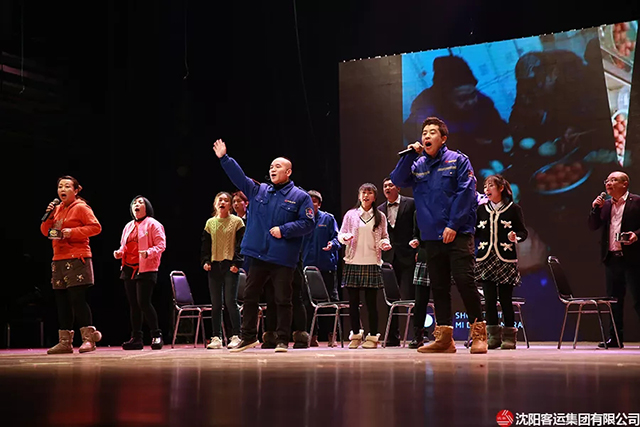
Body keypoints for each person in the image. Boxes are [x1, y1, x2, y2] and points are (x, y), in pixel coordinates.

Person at [390, 116, 488, 354]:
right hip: (431, 237)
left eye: (432, 132)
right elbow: (397, 179)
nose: (426, 136)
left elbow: (466, 193)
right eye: (424, 133)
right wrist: (409, 155)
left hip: (458, 233)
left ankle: (479, 335)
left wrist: (453, 225)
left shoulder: (458, 160)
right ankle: (444, 338)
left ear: (443, 138)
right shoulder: (418, 164)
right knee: (439, 287)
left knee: (465, 282)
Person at [212, 139, 314, 353]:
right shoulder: (259, 190)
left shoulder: (300, 196)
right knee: (249, 297)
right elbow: (239, 178)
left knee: (282, 299)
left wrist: (284, 230)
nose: (272, 169)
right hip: (258, 255)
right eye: (271, 166)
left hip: (282, 257)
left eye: (278, 166)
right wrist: (224, 158)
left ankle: (282, 339)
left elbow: (308, 223)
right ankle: (248, 337)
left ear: (288, 172)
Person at [403, 55, 511, 175]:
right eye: (462, 98)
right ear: (445, 99)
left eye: (473, 95)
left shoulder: (482, 102)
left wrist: (504, 136)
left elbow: (498, 126)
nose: (471, 101)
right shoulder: (423, 112)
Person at [41, 176, 103, 354]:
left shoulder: (81, 207)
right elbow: (46, 232)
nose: (63, 189)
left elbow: (96, 227)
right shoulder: (56, 209)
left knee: (77, 299)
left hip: (77, 258)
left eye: (67, 186)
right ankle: (65, 342)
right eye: (60, 186)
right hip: (58, 259)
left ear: (75, 191)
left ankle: (88, 339)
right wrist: (48, 216)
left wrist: (72, 232)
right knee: (62, 301)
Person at [475, 175, 528, 349]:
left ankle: (509, 337)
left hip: (505, 259)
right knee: (489, 299)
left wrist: (515, 237)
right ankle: (493, 336)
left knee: (505, 299)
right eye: (485, 186)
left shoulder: (514, 209)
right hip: (486, 258)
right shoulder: (481, 210)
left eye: (491, 185)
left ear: (501, 188)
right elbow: (475, 232)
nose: (487, 189)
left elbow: (523, 232)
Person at [588, 171, 640, 348]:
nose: (608, 183)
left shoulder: (636, 201)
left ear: (625, 184)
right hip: (612, 258)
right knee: (614, 302)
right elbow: (593, 226)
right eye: (607, 180)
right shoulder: (606, 205)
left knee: (638, 299)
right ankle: (615, 338)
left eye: (613, 180)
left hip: (633, 259)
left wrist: (636, 235)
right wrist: (595, 208)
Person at [339, 183, 392, 349]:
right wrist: (344, 238)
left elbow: (384, 236)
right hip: (353, 262)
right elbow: (341, 234)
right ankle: (355, 335)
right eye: (363, 192)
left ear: (374, 197)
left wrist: (385, 243)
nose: (366, 196)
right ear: (359, 195)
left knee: (371, 304)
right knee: (353, 303)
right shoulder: (351, 215)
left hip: (372, 262)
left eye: (369, 193)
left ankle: (372, 336)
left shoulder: (380, 216)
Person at [114, 196, 166, 350]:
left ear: (147, 207)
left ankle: (156, 335)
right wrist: (119, 252)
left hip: (146, 268)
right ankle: (136, 338)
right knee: (134, 305)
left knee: (144, 302)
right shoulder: (128, 226)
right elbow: (124, 245)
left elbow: (161, 245)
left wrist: (148, 252)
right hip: (128, 268)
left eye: (140, 202)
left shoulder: (153, 224)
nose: (136, 204)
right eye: (134, 203)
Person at [201, 192, 245, 350]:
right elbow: (205, 244)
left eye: (227, 200)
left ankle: (236, 335)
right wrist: (205, 261)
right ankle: (216, 337)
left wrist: (237, 262)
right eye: (220, 200)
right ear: (215, 203)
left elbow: (241, 244)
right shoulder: (210, 223)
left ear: (230, 205)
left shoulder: (237, 222)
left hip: (230, 265)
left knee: (230, 302)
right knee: (216, 304)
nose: (223, 202)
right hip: (214, 266)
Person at [378, 177, 416, 346]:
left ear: (398, 188)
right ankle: (393, 336)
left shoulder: (411, 204)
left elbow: (417, 226)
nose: (387, 188)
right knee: (391, 298)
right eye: (385, 186)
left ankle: (418, 334)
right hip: (388, 258)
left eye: (391, 185)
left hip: (408, 255)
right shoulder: (379, 210)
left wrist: (417, 246)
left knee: (412, 296)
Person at [301, 190, 341, 346]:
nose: (311, 205)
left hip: (326, 266)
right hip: (307, 268)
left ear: (319, 204)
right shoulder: (302, 220)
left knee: (330, 302)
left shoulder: (328, 218)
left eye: (314, 201)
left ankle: (332, 335)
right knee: (308, 303)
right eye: (308, 202)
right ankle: (312, 336)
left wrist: (332, 244)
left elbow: (337, 237)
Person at [407, 212, 431, 349]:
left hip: (441, 256)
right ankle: (418, 336)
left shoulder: (443, 208)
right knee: (420, 300)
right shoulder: (418, 213)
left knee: (442, 298)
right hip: (423, 256)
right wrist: (416, 240)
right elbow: (416, 233)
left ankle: (444, 334)